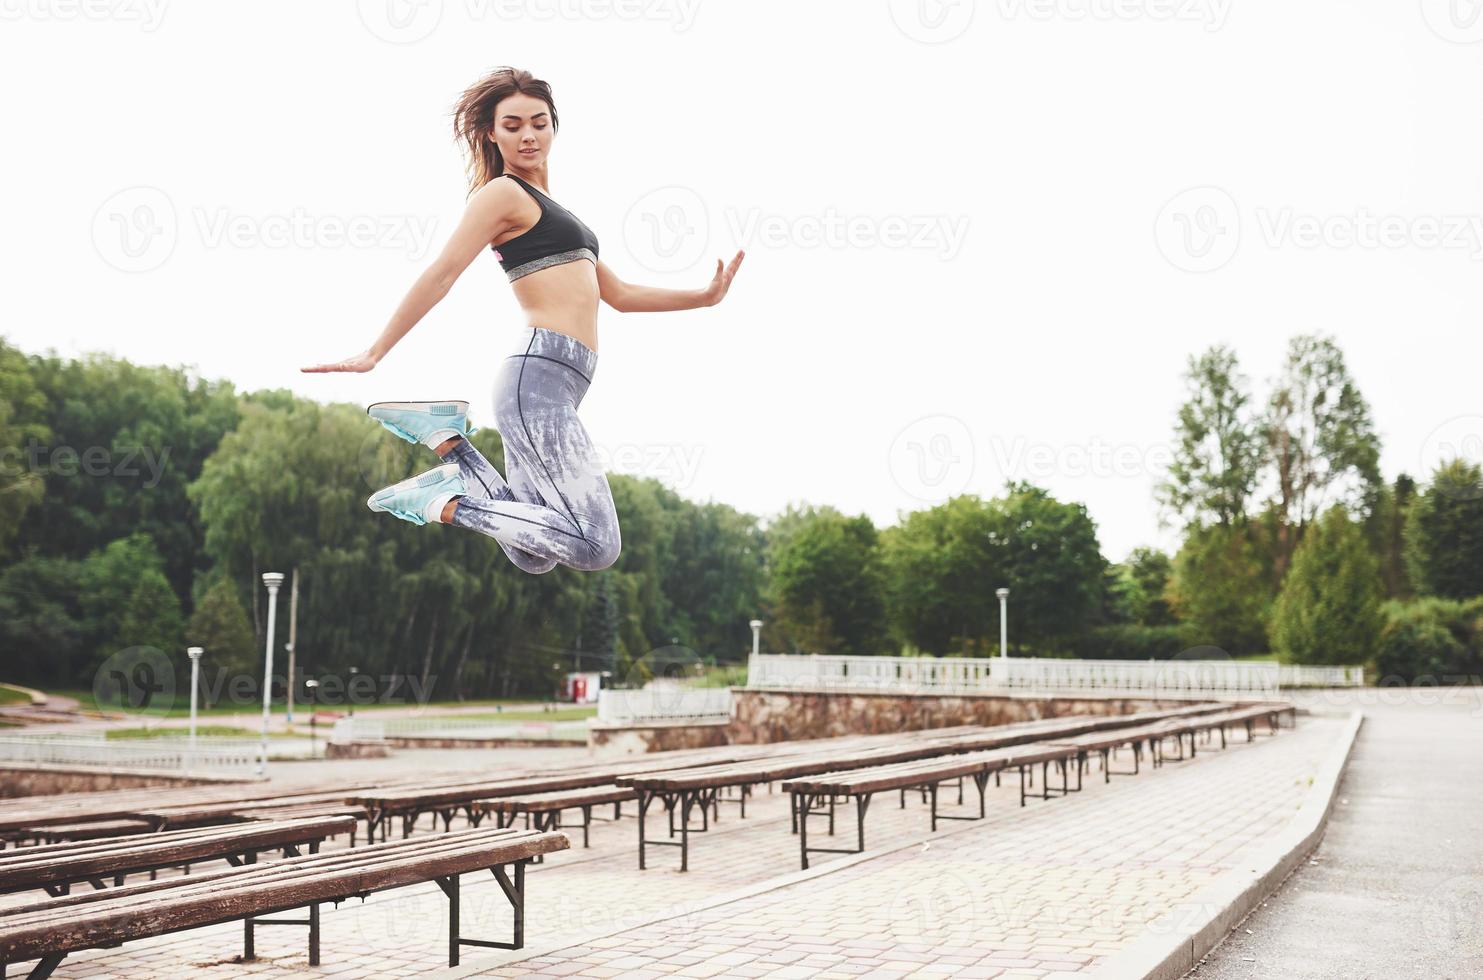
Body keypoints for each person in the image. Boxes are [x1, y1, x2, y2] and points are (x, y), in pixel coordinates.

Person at [301, 66, 744, 573]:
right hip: (539, 379)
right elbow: (442, 273)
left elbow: (618, 295)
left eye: (539, 122)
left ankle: (450, 446)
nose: (528, 135)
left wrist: (705, 297)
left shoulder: (558, 211)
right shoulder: (503, 195)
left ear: (555, 125)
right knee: (595, 545)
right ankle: (440, 502)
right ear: (491, 133)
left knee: (533, 553)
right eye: (512, 126)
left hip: (559, 383)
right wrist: (376, 351)